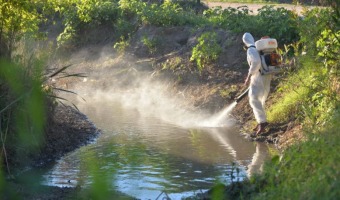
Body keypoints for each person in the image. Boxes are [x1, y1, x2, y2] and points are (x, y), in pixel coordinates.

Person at [242, 32, 272, 135]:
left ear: (245, 42)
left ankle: (262, 123)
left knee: (254, 99)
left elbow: (256, 62)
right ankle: (260, 122)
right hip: (267, 75)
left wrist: (249, 76)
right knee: (261, 98)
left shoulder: (251, 49)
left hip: (258, 76)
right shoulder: (259, 48)